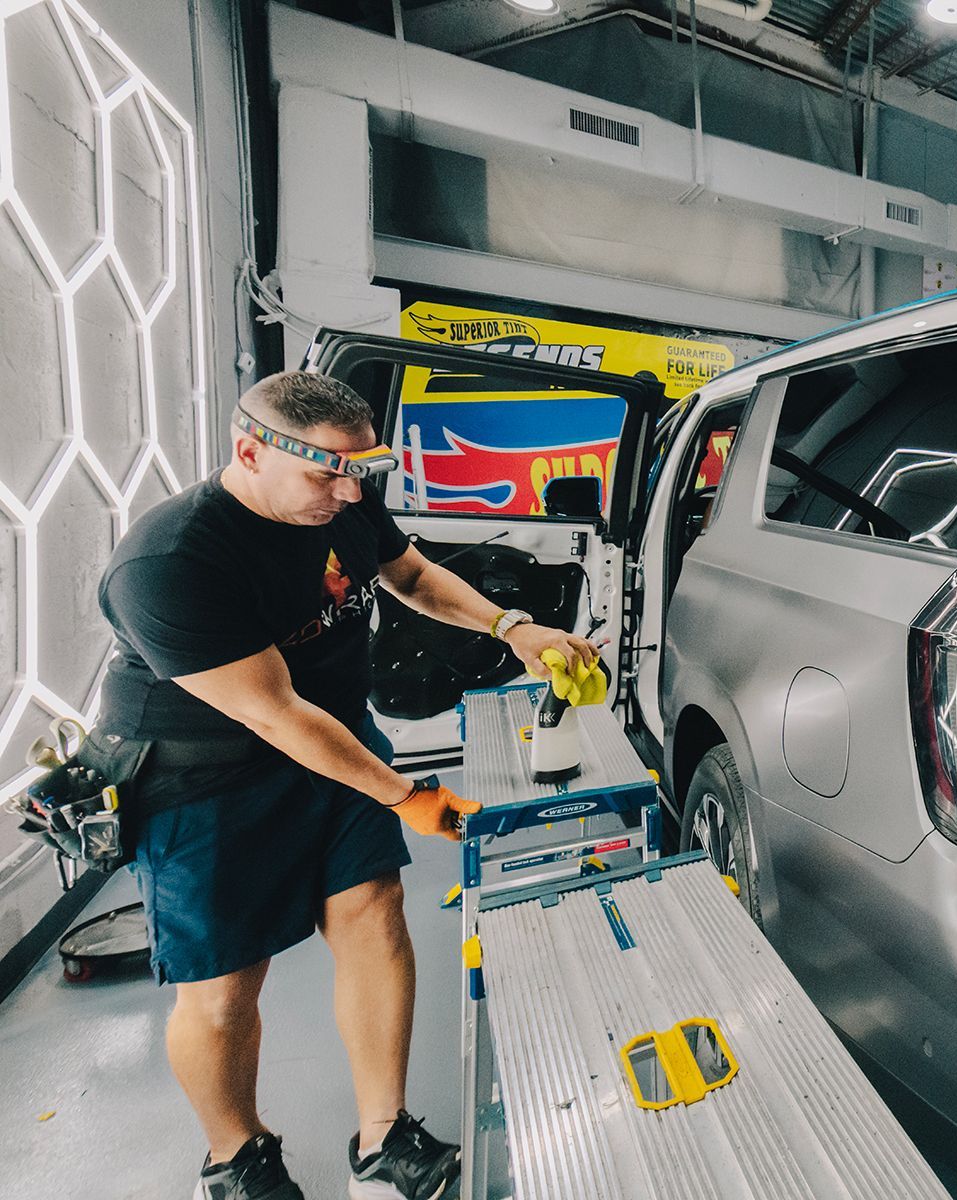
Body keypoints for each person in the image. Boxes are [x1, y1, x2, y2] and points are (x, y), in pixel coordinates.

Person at [94, 371, 600, 1200]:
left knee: (372, 914)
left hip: (334, 736)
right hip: (205, 771)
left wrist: (513, 626)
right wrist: (407, 795)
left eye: (360, 470)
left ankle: (383, 1139)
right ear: (248, 450)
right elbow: (275, 714)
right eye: (327, 471)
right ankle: (235, 1160)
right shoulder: (170, 561)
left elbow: (412, 577)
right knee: (224, 986)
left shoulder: (347, 497)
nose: (347, 489)